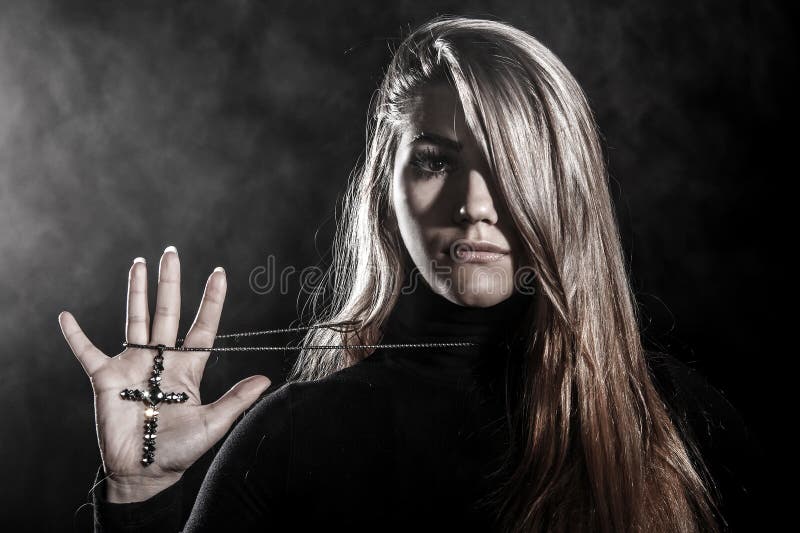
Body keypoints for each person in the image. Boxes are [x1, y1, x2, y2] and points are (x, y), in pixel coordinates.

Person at [58, 15, 762, 533]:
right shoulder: (295, 439)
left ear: (568, 188)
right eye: (434, 160)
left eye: (509, 164)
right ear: (385, 198)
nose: (474, 204)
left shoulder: (681, 427)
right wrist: (140, 492)